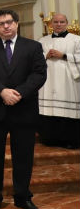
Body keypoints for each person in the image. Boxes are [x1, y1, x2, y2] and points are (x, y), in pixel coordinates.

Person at [0, 9, 47, 209]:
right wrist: (1, 91)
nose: (5, 26)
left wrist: (19, 93)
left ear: (17, 23)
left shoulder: (33, 46)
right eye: (0, 24)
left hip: (24, 109)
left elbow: (39, 73)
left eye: (9, 22)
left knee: (24, 156)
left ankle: (23, 197)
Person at [38, 13, 80, 149]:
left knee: (68, 111)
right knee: (49, 111)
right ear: (51, 24)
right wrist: (46, 55)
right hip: (48, 81)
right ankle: (50, 138)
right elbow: (34, 59)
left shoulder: (76, 40)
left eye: (62, 22)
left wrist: (64, 55)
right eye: (56, 22)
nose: (59, 24)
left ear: (67, 23)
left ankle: (70, 140)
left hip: (69, 81)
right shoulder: (42, 41)